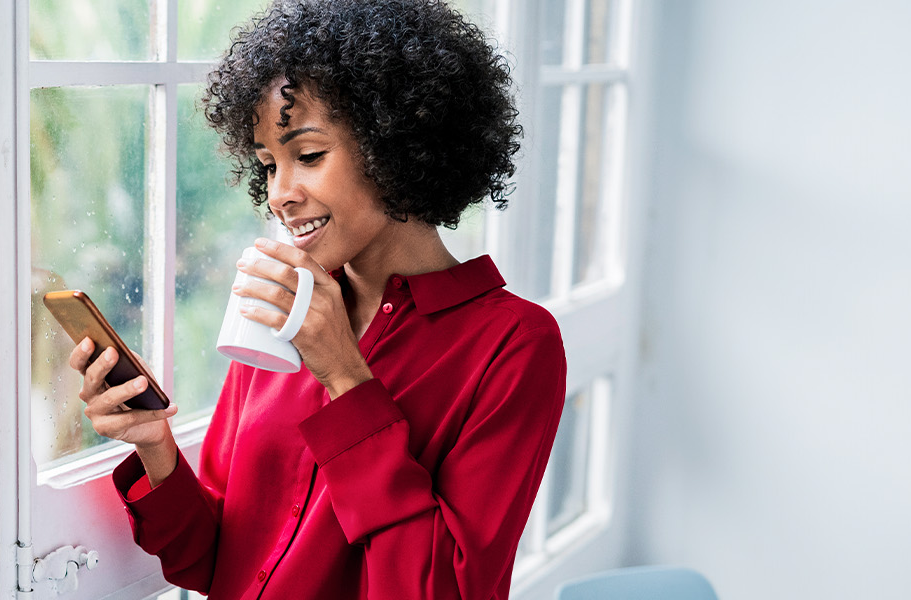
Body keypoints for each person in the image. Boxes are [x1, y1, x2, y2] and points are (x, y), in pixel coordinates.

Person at [65, 1, 565, 598]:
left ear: (398, 145)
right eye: (268, 165)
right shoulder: (282, 311)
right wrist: (155, 445)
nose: (279, 194)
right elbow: (212, 562)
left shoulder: (513, 346)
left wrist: (344, 375)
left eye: (307, 156)